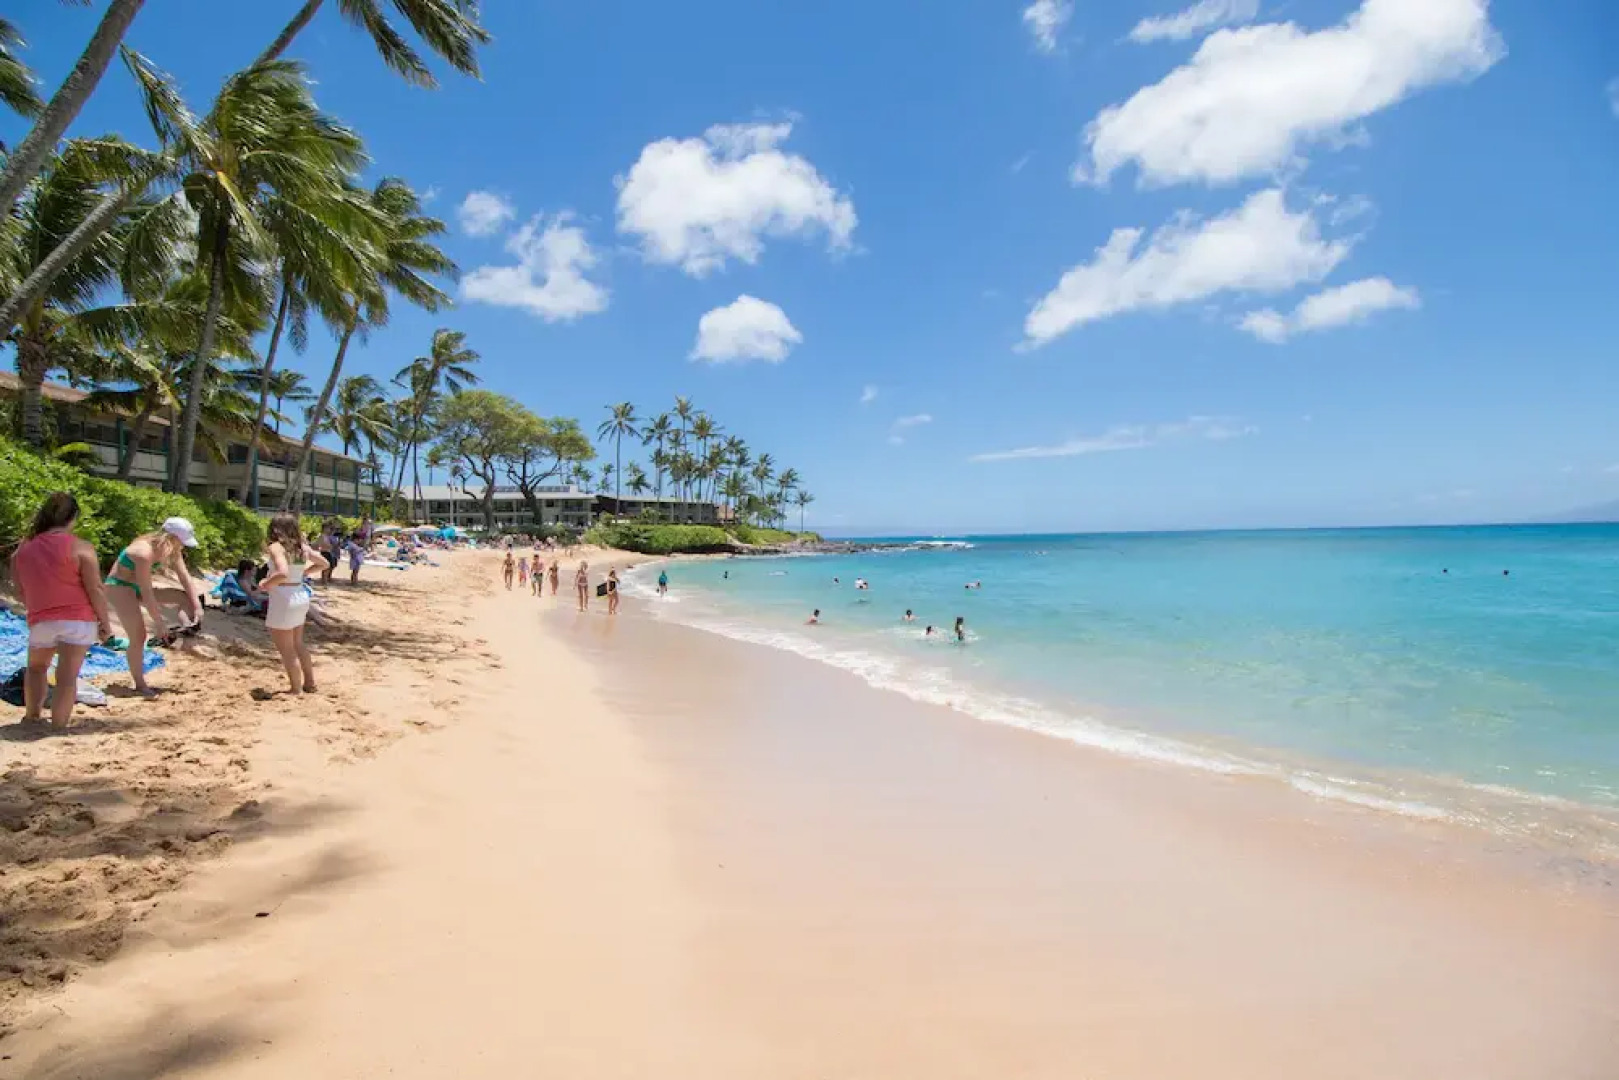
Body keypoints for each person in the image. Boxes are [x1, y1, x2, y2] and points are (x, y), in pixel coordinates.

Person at [9, 493, 113, 727]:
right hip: (77, 620)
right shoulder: (80, 547)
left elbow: (19, 588)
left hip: (41, 619)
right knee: (66, 677)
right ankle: (58, 726)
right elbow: (95, 588)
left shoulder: (23, 549)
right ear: (72, 517)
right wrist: (104, 623)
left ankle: (32, 716)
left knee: (36, 669)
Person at [103, 517, 203, 696]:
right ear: (171, 538)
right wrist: (159, 623)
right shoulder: (144, 552)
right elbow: (147, 592)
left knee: (183, 598)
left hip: (136, 587)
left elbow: (184, 576)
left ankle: (187, 640)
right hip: (119, 586)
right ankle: (140, 685)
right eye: (182, 542)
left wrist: (197, 607)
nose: (183, 547)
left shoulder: (171, 549)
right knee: (138, 636)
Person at [261, 513, 328, 694]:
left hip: (284, 597)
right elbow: (324, 563)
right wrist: (304, 573)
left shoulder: (277, 547)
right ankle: (310, 683)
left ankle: (296, 689)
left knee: (287, 649)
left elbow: (282, 572)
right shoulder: (302, 548)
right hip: (299, 594)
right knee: (298, 644)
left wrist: (265, 584)